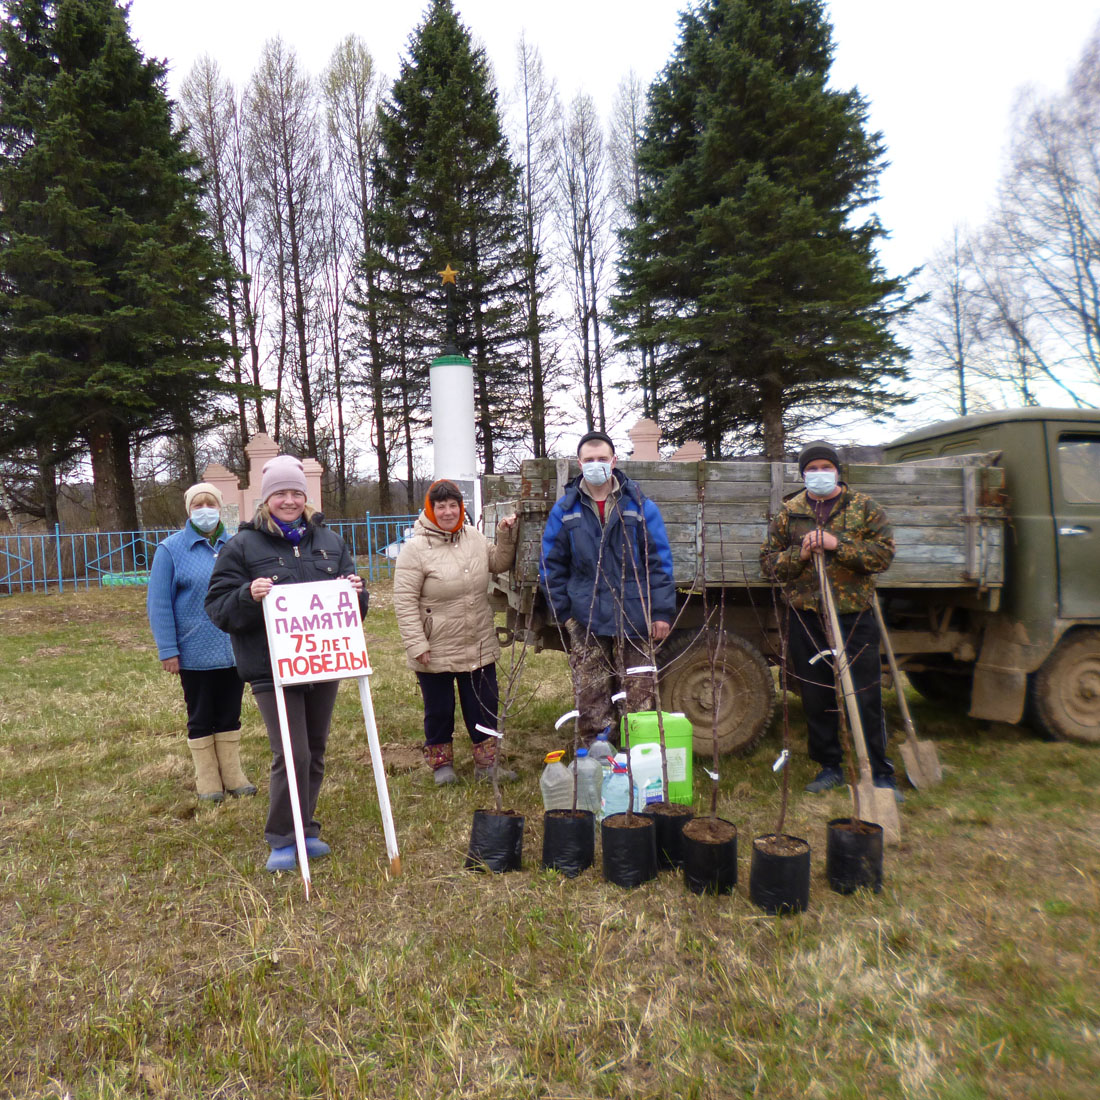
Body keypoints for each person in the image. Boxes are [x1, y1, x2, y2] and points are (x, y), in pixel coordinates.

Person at [205, 455, 368, 872]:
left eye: (296, 492)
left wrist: (355, 592)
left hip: (322, 662)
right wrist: (248, 595)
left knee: (314, 751)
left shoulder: (330, 541)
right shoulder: (242, 546)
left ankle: (305, 829)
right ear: (266, 499)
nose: (290, 500)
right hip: (271, 669)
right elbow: (218, 608)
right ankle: (282, 837)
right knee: (291, 753)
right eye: (281, 493)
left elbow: (353, 610)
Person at [760, 440, 899, 797]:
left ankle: (879, 769)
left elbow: (882, 555)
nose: (819, 474)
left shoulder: (864, 507)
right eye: (812, 469)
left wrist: (840, 546)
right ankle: (830, 766)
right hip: (807, 614)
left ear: (837, 471)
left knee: (864, 691)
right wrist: (801, 554)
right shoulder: (791, 512)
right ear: (803, 473)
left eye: (825, 467)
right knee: (816, 693)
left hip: (853, 612)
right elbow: (768, 563)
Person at [539, 430, 676, 746]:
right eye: (589, 460)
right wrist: (565, 613)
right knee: (591, 695)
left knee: (639, 694)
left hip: (635, 613)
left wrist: (661, 613)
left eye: (602, 459)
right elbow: (550, 565)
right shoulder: (566, 510)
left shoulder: (640, 506)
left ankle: (640, 757)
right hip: (585, 614)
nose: (596, 465)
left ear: (614, 461)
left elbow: (659, 563)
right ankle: (597, 759)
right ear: (579, 463)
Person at [393, 480, 519, 785]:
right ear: (430, 509)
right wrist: (416, 643)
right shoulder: (415, 550)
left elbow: (498, 562)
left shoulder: (473, 537)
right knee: (439, 708)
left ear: (460, 508)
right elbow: (404, 601)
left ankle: (487, 764)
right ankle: (441, 765)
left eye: (453, 505)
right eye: (441, 506)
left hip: (477, 640)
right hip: (435, 645)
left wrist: (505, 534)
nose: (448, 512)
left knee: (484, 704)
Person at [147, 482, 252, 802]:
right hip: (194, 651)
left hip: (233, 649)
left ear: (221, 508)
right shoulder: (170, 549)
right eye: (197, 505)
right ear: (188, 510)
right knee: (201, 713)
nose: (204, 510)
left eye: (210, 504)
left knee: (230, 713)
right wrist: (168, 650)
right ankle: (208, 778)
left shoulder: (236, 545)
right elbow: (159, 604)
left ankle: (233, 774)